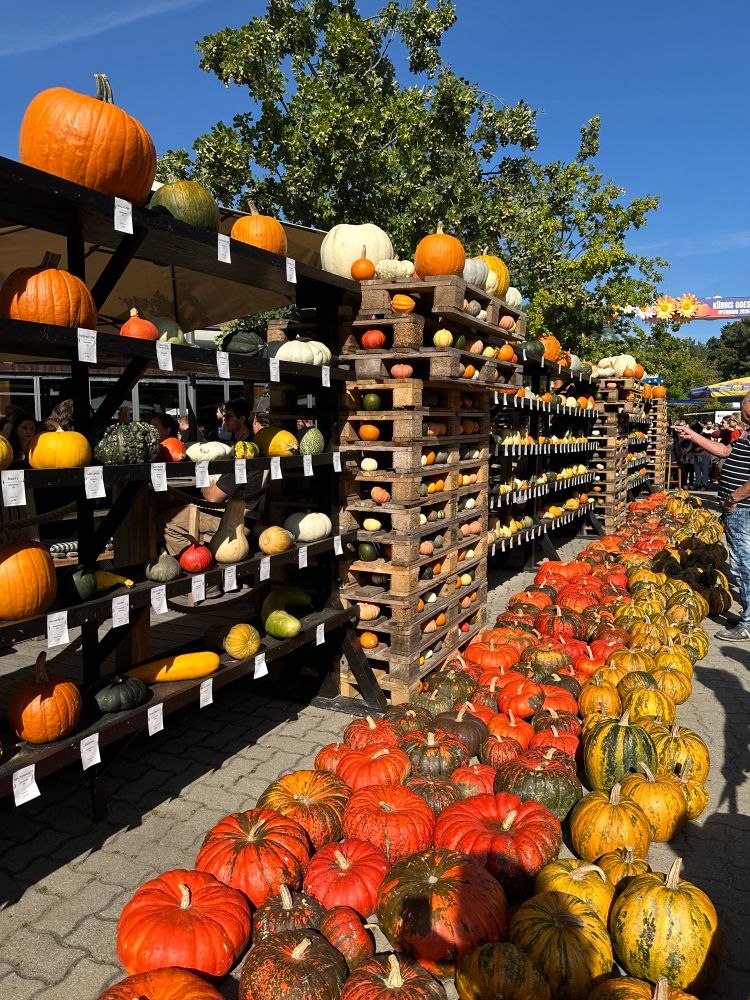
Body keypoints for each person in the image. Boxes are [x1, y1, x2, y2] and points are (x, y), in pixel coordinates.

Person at [675, 391, 750, 640]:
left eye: (744, 403)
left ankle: (748, 623)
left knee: (744, 566)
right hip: (738, 509)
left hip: (743, 510)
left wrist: (734, 497)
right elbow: (724, 451)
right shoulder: (746, 434)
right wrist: (693, 434)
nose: (741, 408)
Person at [157, 396, 269, 557]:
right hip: (244, 513)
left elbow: (213, 497)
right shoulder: (254, 448)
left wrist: (204, 479)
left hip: (236, 519)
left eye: (228, 416)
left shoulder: (242, 454)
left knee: (167, 520)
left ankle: (196, 566)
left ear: (244, 419)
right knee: (175, 507)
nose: (224, 420)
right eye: (224, 417)